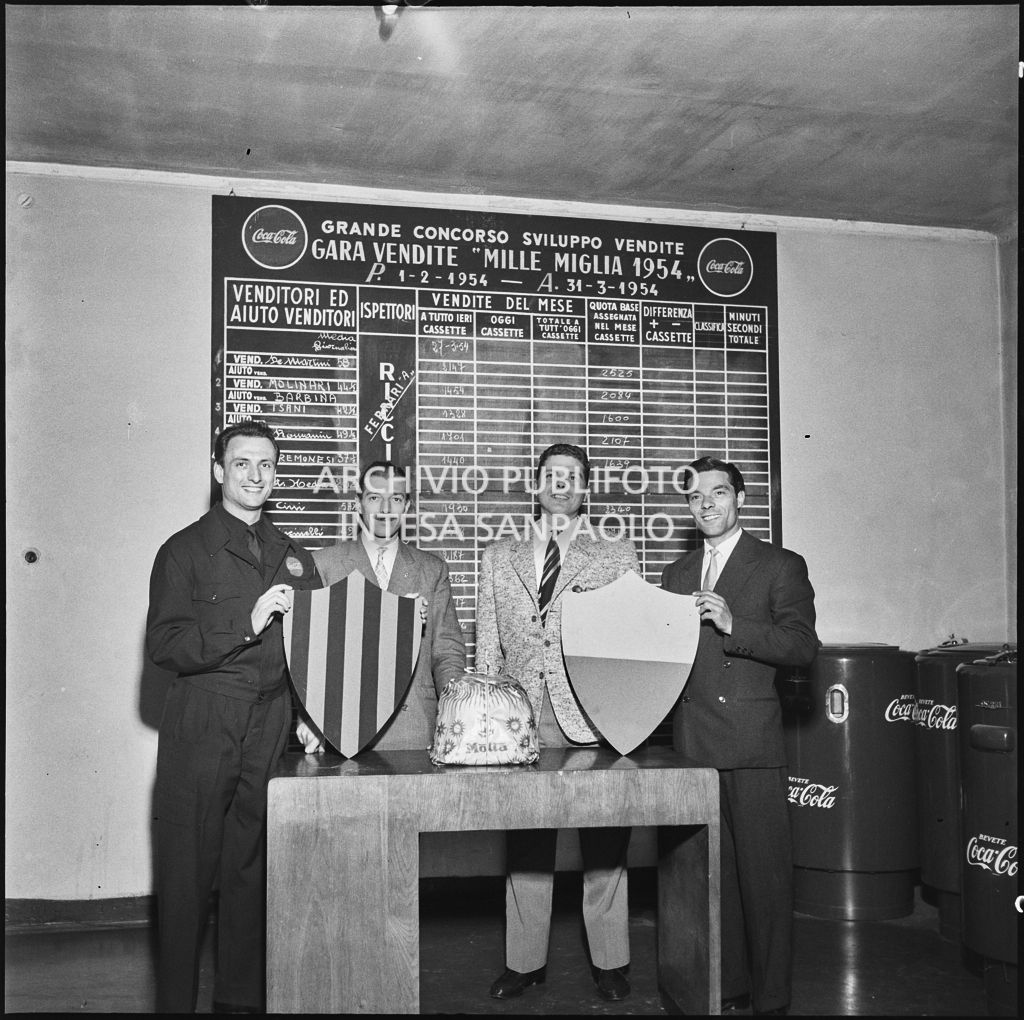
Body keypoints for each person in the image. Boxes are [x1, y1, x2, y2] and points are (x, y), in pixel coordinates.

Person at [146, 420, 320, 1013]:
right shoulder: (182, 550)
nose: (255, 475)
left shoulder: (293, 556)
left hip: (269, 722)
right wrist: (245, 622)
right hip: (203, 718)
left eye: (266, 465)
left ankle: (241, 1003)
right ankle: (174, 1005)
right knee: (186, 870)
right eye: (242, 463)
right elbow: (166, 644)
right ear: (219, 471)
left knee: (252, 867)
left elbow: (314, 648)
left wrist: (308, 714)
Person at [476, 443, 640, 1002]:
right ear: (536, 486)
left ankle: (611, 961)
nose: (560, 483)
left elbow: (626, 643)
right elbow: (487, 652)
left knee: (605, 841)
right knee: (526, 840)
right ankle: (524, 963)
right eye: (550, 475)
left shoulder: (616, 555)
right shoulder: (500, 556)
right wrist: (491, 718)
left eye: (571, 476)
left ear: (586, 488)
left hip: (593, 717)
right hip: (525, 718)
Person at [661, 456, 819, 1016]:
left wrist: (735, 626)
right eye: (695, 496)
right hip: (692, 745)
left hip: (751, 742)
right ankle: (726, 989)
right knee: (712, 881)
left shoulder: (779, 564)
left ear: (742, 499)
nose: (706, 504)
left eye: (718, 493)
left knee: (766, 882)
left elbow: (802, 646)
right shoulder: (676, 574)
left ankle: (772, 999)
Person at [296, 460, 466, 753]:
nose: (385, 509)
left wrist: (457, 714)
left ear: (407, 506)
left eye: (396, 499)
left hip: (415, 731)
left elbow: (447, 652)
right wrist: (310, 717)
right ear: (358, 503)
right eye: (375, 498)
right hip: (342, 728)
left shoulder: (432, 569)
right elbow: (308, 652)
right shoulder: (324, 564)